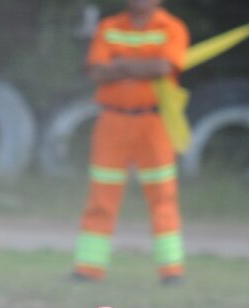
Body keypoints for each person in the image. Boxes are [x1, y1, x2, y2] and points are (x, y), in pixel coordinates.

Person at [74, 0, 190, 284]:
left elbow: (164, 67)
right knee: (101, 196)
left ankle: (171, 270)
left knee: (163, 195)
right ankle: (88, 269)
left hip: (154, 123)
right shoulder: (109, 26)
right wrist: (143, 66)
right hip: (112, 122)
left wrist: (121, 64)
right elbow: (96, 71)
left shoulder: (172, 27)